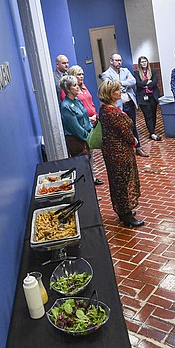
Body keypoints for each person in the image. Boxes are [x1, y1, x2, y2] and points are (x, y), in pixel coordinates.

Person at [98, 79, 144, 227]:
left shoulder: (105, 109)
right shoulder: (113, 113)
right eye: (117, 90)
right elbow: (126, 133)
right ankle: (126, 215)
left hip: (113, 152)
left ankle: (124, 210)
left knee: (118, 182)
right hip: (119, 153)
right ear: (110, 94)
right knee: (122, 182)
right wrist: (134, 141)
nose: (120, 92)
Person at [101, 53, 149, 157]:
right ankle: (127, 149)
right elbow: (111, 87)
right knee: (122, 128)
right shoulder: (106, 74)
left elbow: (133, 81)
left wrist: (120, 84)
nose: (119, 62)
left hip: (129, 103)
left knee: (132, 125)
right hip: (118, 105)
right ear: (111, 61)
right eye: (116, 60)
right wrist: (123, 84)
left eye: (120, 60)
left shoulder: (125, 70)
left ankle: (138, 147)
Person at [66, 65, 104, 185]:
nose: (81, 76)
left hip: (92, 122)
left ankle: (92, 177)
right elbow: (76, 110)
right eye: (78, 74)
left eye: (82, 74)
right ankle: (88, 179)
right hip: (83, 126)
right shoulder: (69, 94)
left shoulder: (83, 87)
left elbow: (90, 102)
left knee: (91, 153)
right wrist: (88, 119)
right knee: (85, 154)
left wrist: (96, 115)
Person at [59, 75, 92, 158]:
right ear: (67, 89)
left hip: (85, 138)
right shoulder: (66, 106)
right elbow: (75, 128)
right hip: (76, 142)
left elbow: (85, 117)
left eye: (77, 85)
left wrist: (91, 131)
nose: (77, 87)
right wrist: (89, 137)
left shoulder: (77, 100)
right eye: (74, 85)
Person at [133, 56, 162, 141]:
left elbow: (155, 81)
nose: (144, 63)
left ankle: (152, 131)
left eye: (145, 61)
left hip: (153, 96)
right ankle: (152, 133)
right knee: (148, 115)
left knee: (153, 114)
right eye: (142, 62)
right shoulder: (137, 73)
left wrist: (146, 84)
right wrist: (147, 81)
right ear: (139, 63)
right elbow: (138, 83)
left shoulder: (152, 71)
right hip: (143, 98)